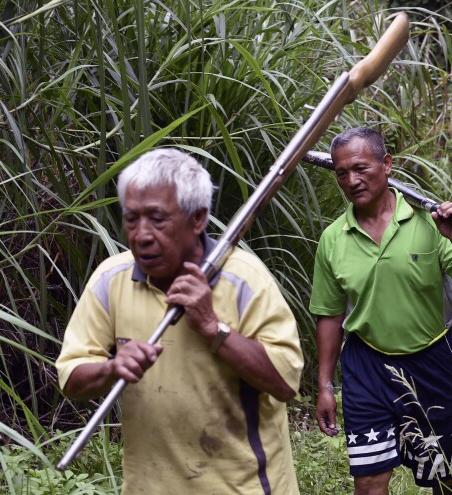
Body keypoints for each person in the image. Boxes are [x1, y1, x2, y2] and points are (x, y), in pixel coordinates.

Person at [55, 148, 303, 495]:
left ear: (197, 219)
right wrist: (111, 369)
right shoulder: (111, 280)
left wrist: (212, 327)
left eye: (157, 219)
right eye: (132, 218)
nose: (141, 234)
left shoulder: (246, 279)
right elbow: (72, 376)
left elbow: (285, 381)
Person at [309, 127, 452, 495]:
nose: (352, 180)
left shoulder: (431, 222)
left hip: (436, 360)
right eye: (342, 173)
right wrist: (325, 384)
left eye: (361, 168)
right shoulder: (333, 239)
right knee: (370, 481)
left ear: (386, 164)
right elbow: (329, 315)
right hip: (367, 365)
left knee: (449, 477)